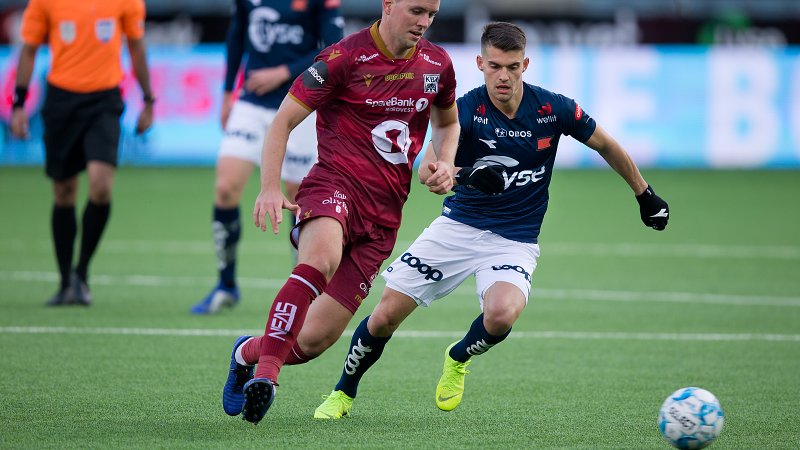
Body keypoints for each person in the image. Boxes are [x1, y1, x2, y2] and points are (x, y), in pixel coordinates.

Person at [313, 21, 671, 419]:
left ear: (526, 65)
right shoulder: (464, 109)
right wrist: (463, 174)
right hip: (457, 228)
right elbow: (428, 168)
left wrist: (644, 193)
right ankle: (343, 392)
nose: (504, 76)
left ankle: (458, 356)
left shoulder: (553, 109)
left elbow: (605, 143)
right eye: (496, 66)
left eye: (513, 67)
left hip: (514, 240)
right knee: (383, 317)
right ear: (480, 63)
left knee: (501, 315)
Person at [219, 0, 461, 424]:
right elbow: (282, 122)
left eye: (432, 15)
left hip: (383, 217)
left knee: (310, 342)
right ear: (388, 5)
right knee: (321, 258)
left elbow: (446, 123)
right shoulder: (341, 58)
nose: (424, 23)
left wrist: (445, 160)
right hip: (334, 186)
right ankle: (267, 377)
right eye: (417, 11)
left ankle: (247, 353)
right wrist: (270, 188)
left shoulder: (438, 64)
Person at [190, 0, 345, 315]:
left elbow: (333, 51)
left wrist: (283, 72)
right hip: (252, 101)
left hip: (301, 103)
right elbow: (236, 36)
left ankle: (304, 289)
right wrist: (225, 94)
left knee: (298, 195)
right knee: (225, 188)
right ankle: (226, 285)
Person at [10, 0, 154, 306]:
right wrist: (19, 103)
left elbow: (137, 46)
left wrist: (148, 99)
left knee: (101, 187)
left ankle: (81, 273)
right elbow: (29, 49)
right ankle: (65, 282)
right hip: (61, 101)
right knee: (64, 191)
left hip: (104, 101)